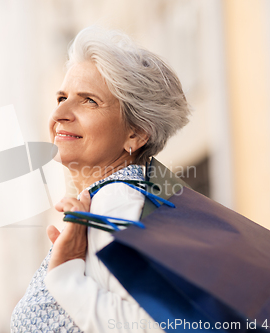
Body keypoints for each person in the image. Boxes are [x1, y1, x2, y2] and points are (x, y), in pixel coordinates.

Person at [10, 26, 191, 333]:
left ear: (135, 133)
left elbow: (156, 325)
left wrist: (65, 276)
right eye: (61, 97)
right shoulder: (111, 205)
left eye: (89, 101)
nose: (60, 114)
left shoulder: (117, 201)